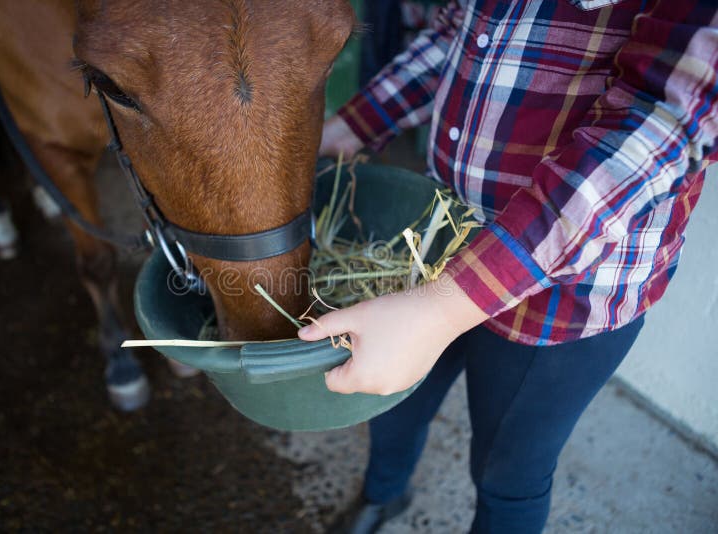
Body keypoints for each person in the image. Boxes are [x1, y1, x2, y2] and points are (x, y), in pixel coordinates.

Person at [299, 0, 717, 532]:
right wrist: (353, 126)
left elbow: (660, 125)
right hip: (438, 236)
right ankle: (383, 495)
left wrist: (437, 312)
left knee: (508, 470)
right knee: (394, 403)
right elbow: (458, 34)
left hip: (572, 289)